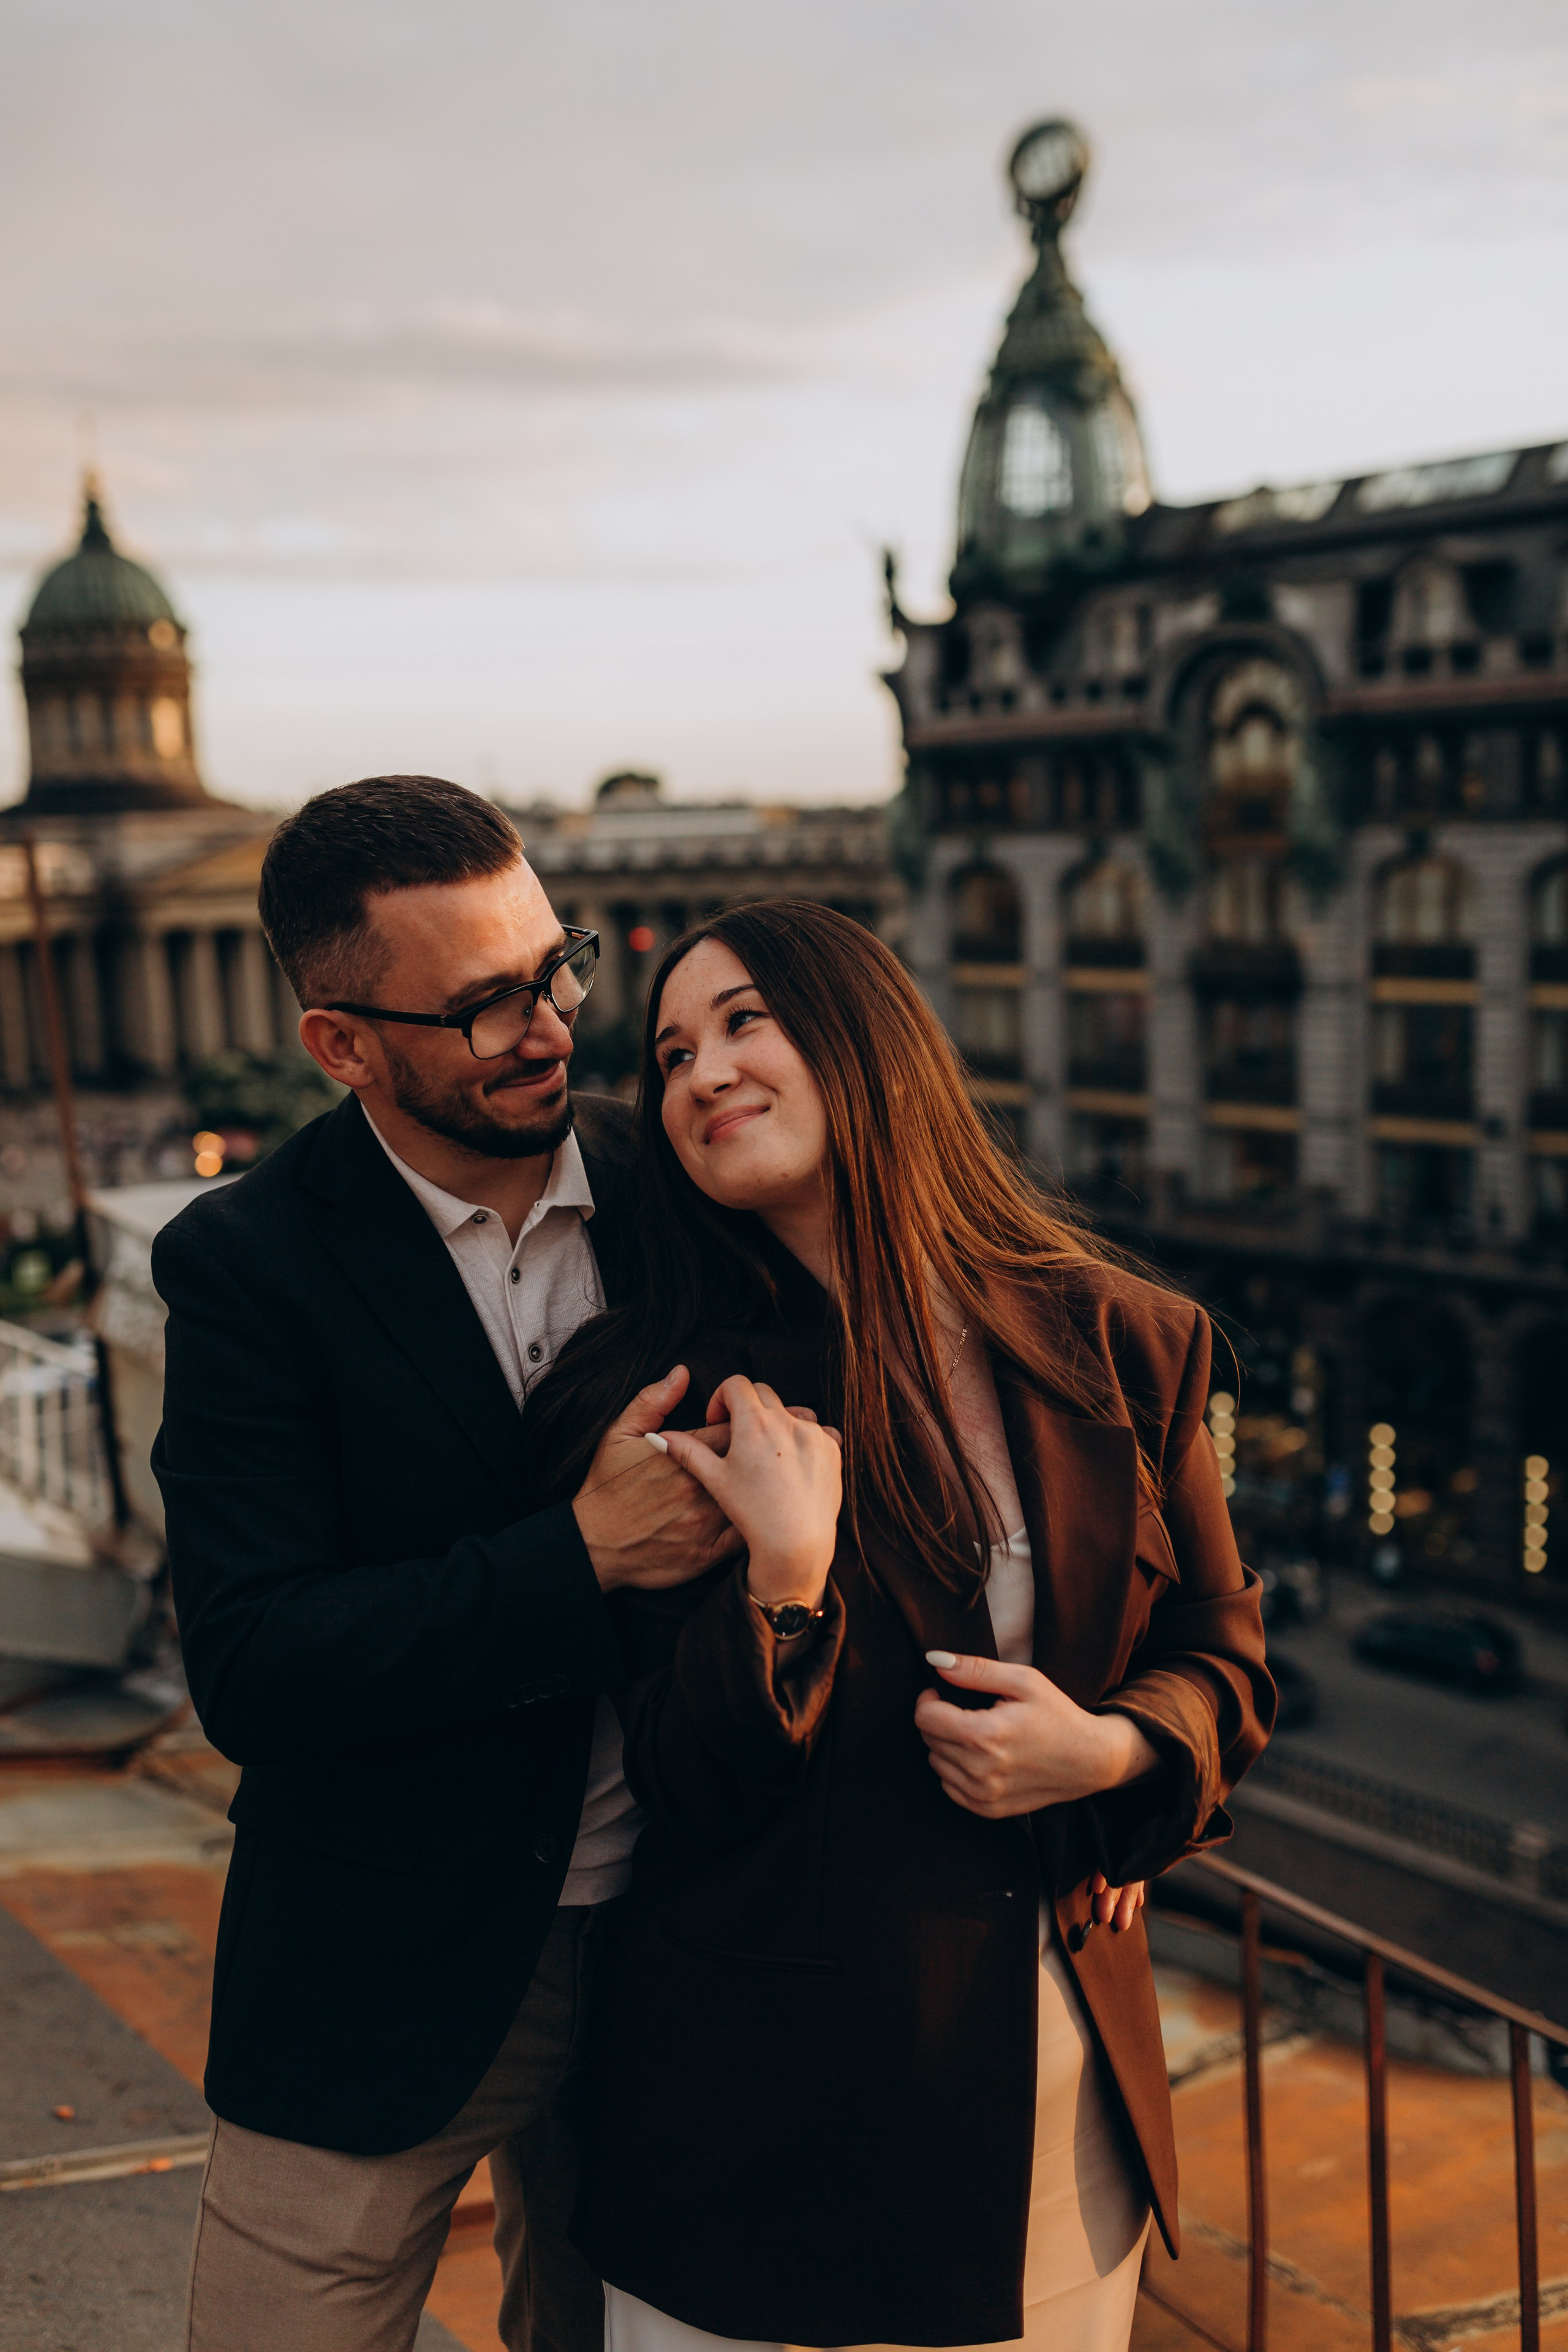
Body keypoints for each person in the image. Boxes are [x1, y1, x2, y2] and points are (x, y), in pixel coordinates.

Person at [521, 899, 1275, 2352]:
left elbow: (1224, 1662)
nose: (700, 1073)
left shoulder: (1122, 1340)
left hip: (1056, 2116)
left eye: (744, 1021)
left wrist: (1111, 1754)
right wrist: (784, 1580)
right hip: (755, 2140)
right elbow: (679, 1784)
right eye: (669, 1054)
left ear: (866, 1040)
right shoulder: (657, 1394)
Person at [153, 775, 750, 2352]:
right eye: (484, 1005)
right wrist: (579, 1558)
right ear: (341, 1044)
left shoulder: (680, 1187)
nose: (549, 1028)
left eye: (557, 969)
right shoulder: (246, 1266)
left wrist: (1104, 1760)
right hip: (379, 1978)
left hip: (679, 1953)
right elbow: (254, 1664)